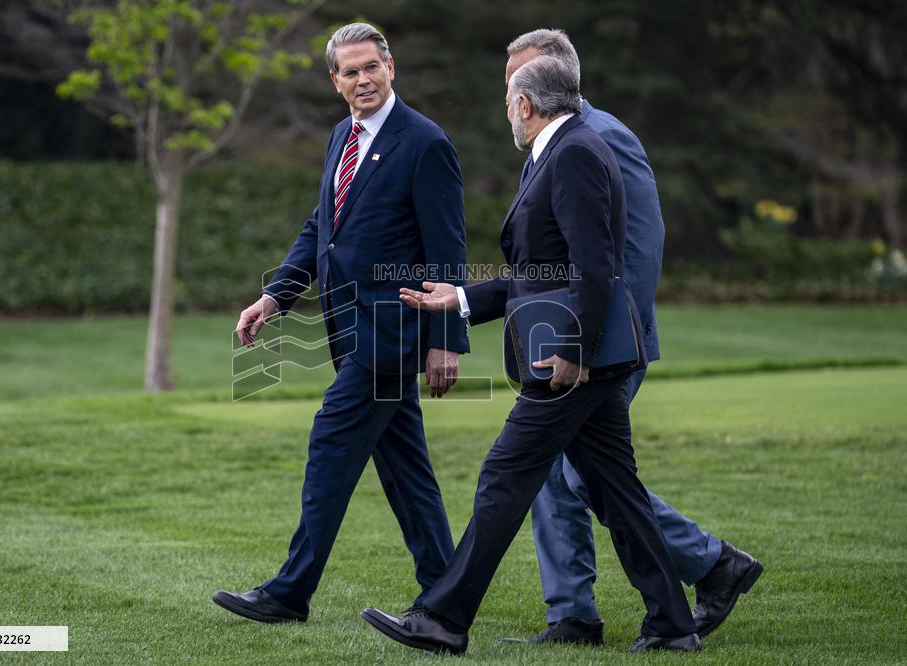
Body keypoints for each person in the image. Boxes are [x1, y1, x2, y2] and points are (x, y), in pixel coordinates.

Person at [361, 55, 700, 654]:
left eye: (508, 104)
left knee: (502, 476)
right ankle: (672, 625)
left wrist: (574, 350)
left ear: (525, 104)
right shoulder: (565, 148)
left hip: (567, 362)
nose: (508, 115)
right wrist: (462, 298)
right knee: (617, 490)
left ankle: (441, 619)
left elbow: (595, 267)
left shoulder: (572, 153)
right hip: (582, 356)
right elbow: (540, 271)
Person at [502, 29, 763, 646]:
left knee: (584, 475)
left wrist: (596, 345)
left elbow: (634, 251)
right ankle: (572, 615)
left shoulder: (600, 137)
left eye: (516, 81)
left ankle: (710, 564)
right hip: (570, 337)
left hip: (606, 346)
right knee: (556, 472)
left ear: (548, 80)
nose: (509, 95)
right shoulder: (550, 141)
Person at [212, 22, 469, 625]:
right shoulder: (340, 137)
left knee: (331, 442)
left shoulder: (425, 143)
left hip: (391, 335)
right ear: (335, 81)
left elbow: (448, 250)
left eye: (370, 67)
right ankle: (447, 591)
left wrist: (446, 342)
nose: (362, 80)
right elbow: (319, 232)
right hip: (347, 331)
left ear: (391, 68)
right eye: (349, 72)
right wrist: (275, 296)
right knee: (406, 468)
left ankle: (288, 593)